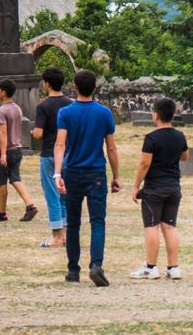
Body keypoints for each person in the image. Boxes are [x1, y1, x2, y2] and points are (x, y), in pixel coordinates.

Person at [53, 68, 120, 286]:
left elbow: (60, 144)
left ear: (75, 87)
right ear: (95, 88)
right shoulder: (104, 113)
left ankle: (73, 270)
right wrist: (116, 175)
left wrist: (57, 172)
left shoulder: (66, 113)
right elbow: (111, 148)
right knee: (97, 222)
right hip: (96, 173)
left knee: (73, 223)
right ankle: (96, 265)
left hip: (72, 171)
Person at [130, 96, 187, 280]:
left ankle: (151, 267)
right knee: (170, 227)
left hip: (154, 188)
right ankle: (173, 267)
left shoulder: (151, 138)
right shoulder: (179, 136)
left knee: (152, 226)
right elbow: (185, 157)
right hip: (173, 187)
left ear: (155, 115)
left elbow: (144, 164)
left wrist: (136, 186)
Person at [0, 79, 39, 223]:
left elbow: (3, 133)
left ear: (3, 92)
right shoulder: (17, 108)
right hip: (17, 148)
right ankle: (28, 206)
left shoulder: (1, 110)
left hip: (7, 150)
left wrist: (3, 153)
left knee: (2, 181)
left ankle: (4, 212)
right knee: (15, 178)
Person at [33, 66, 71, 248]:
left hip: (49, 154)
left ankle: (56, 237)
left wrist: (33, 132)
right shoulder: (71, 104)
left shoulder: (43, 106)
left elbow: (38, 133)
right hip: (69, 155)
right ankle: (66, 234)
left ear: (47, 84)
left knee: (52, 195)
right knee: (66, 195)